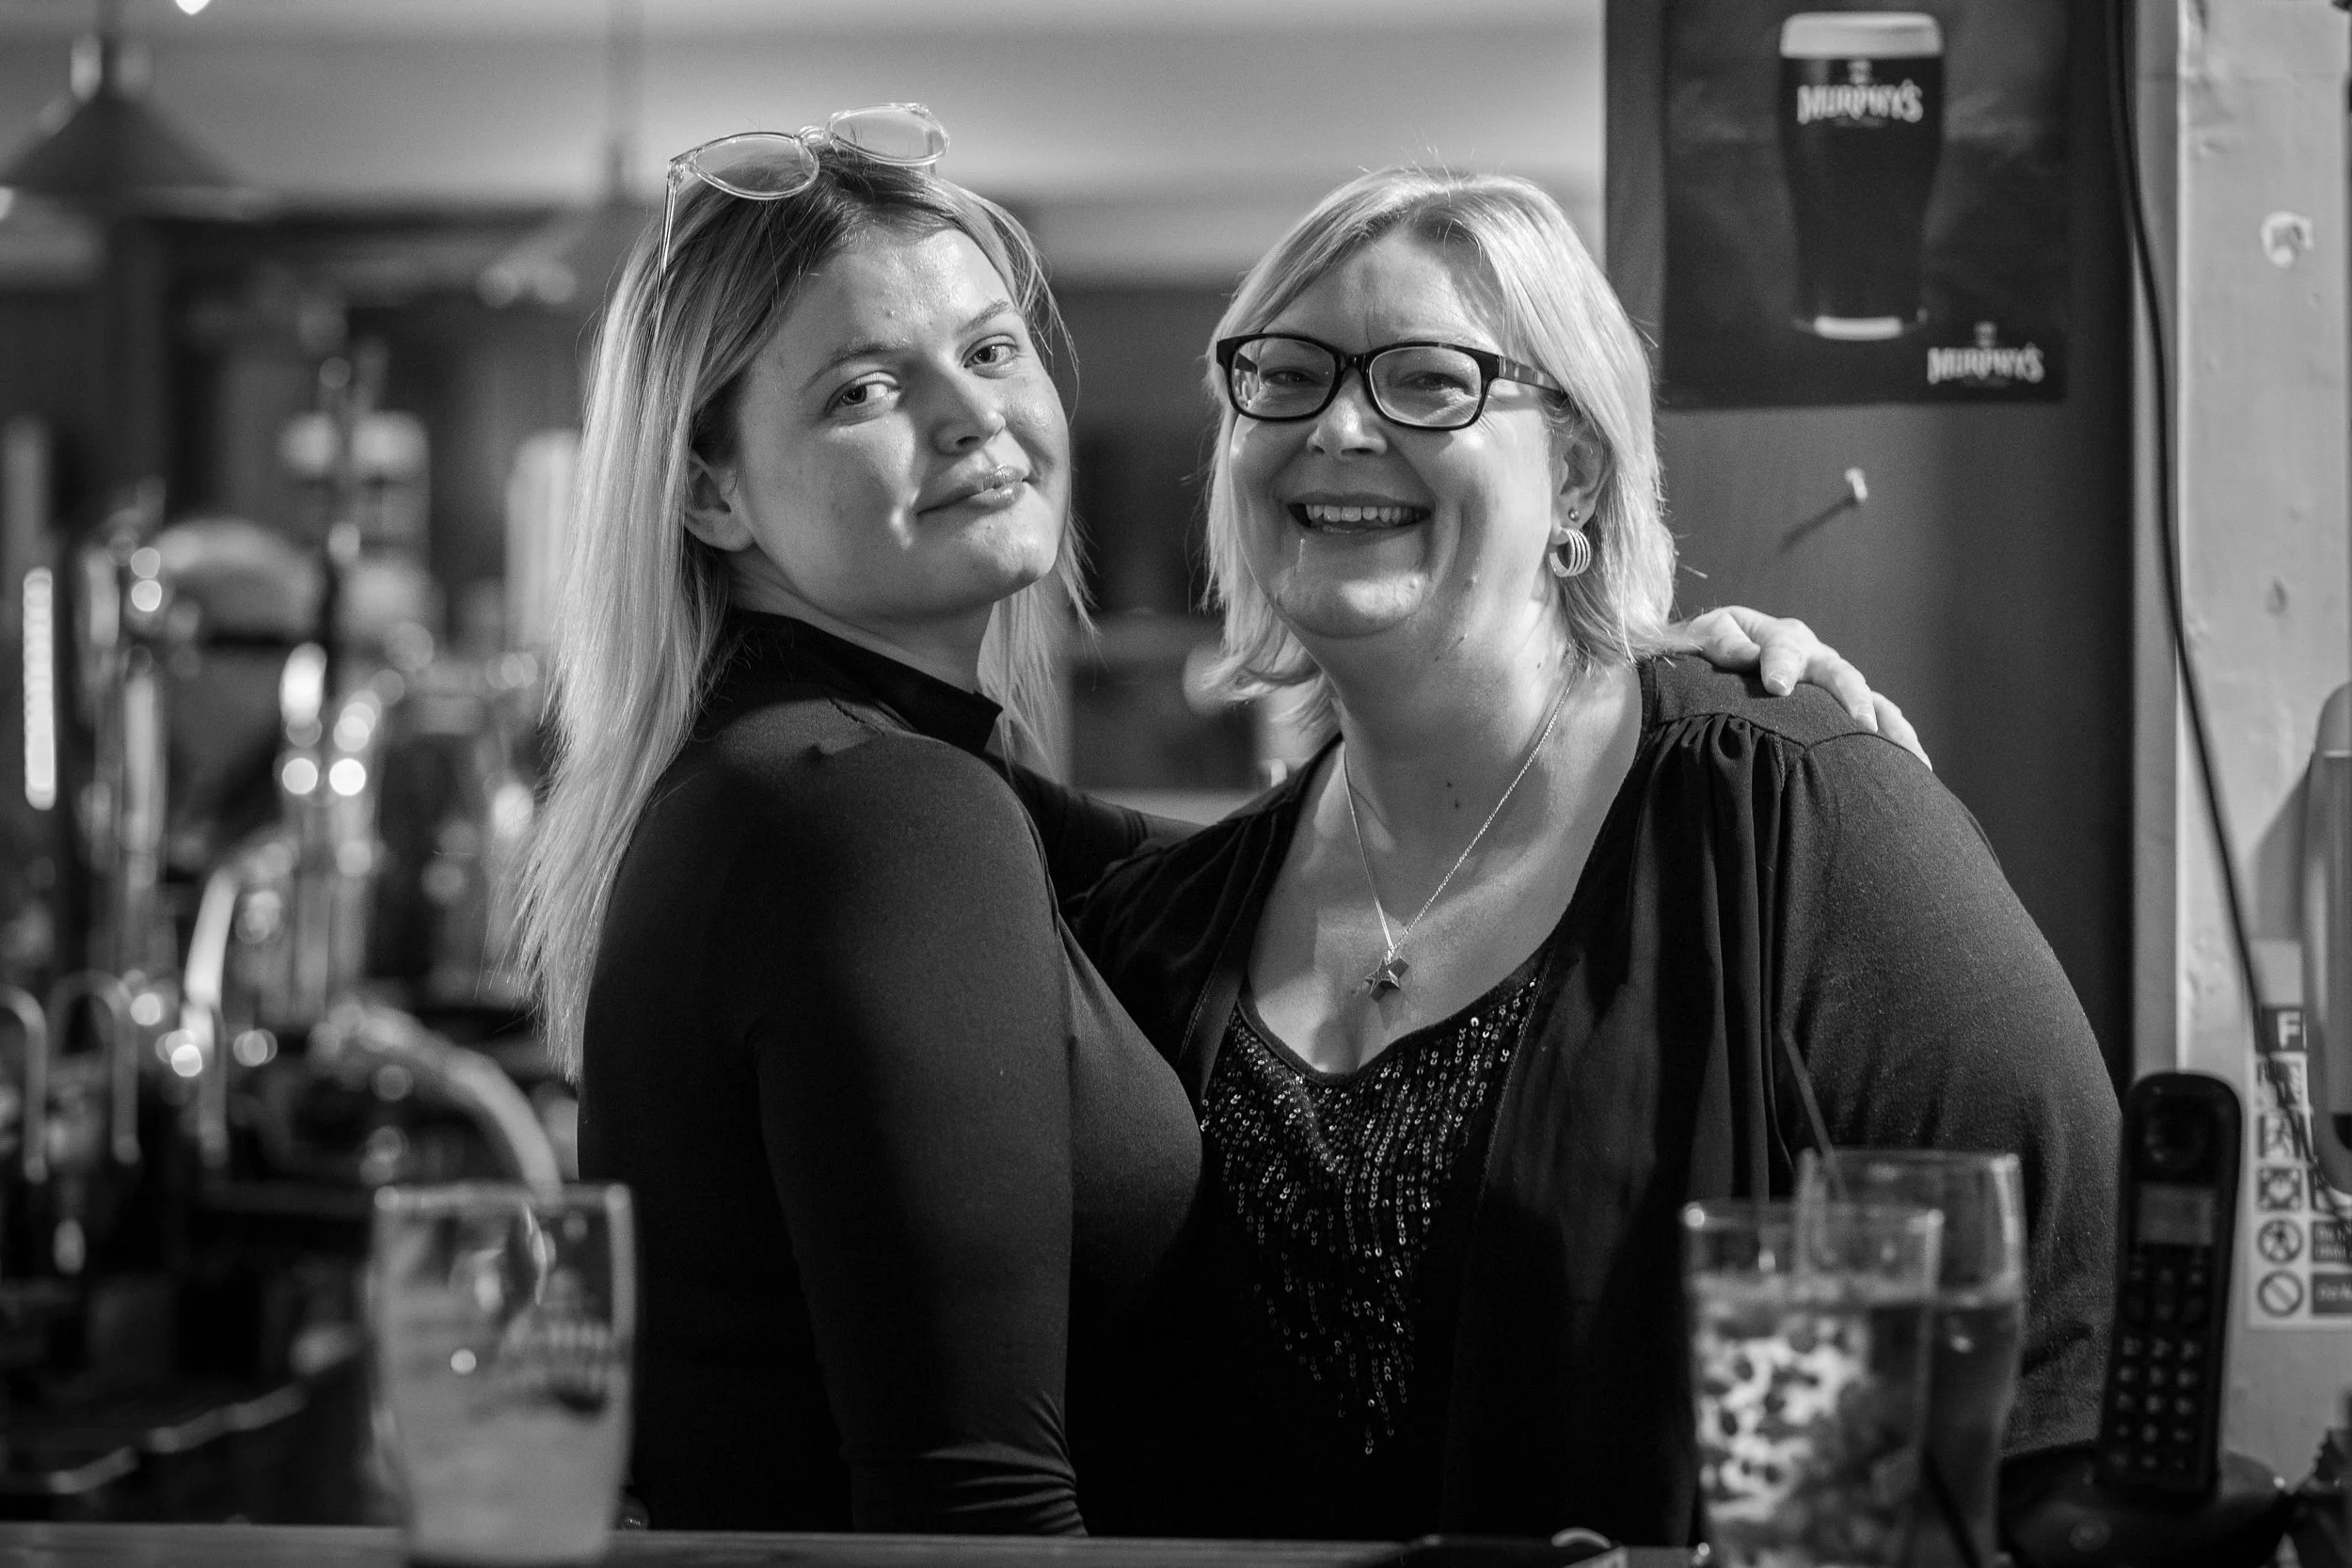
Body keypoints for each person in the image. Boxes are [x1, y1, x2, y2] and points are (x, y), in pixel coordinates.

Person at [520, 111, 1918, 1537]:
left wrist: (1619, 668)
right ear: (705, 485)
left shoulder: (811, 779)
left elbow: (1206, 868)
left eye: (994, 351)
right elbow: (978, 1511)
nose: (969, 415)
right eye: (864, 388)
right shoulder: (879, 812)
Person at [1068, 166, 2120, 1548]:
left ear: (1574, 466)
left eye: (1429, 381)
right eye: (1285, 373)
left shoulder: (1790, 823)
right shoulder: (1159, 932)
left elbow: (2054, 1386)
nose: (1336, 423)